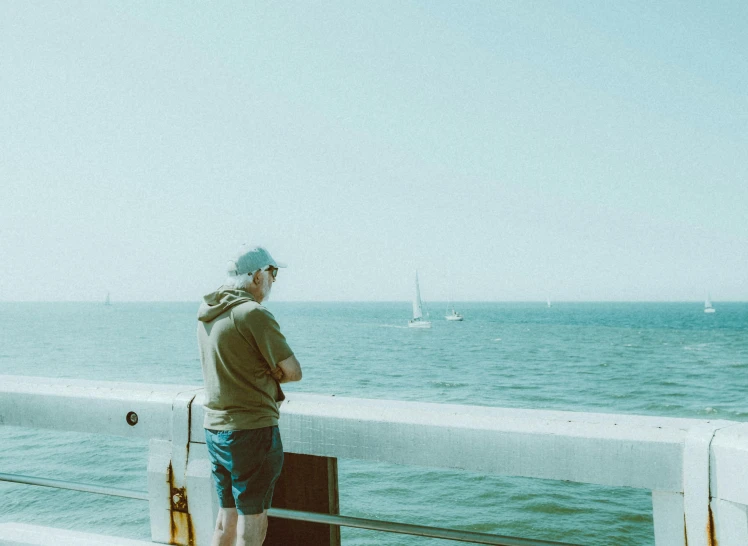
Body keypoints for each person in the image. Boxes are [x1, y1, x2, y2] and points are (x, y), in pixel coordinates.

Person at [197, 244, 302, 546]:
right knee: (252, 521)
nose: (273, 280)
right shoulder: (253, 314)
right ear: (257, 276)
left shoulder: (208, 313)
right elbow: (293, 371)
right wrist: (272, 371)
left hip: (216, 429)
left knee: (225, 517)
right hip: (252, 430)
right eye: (273, 273)